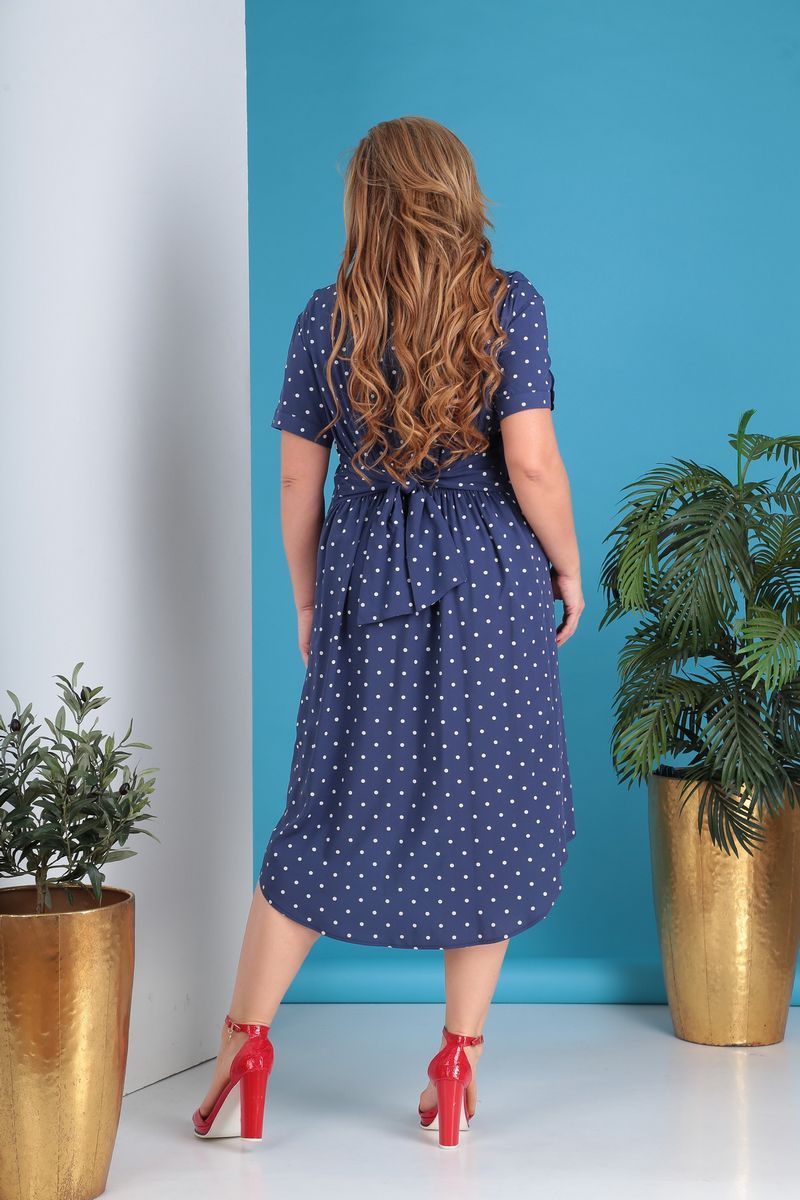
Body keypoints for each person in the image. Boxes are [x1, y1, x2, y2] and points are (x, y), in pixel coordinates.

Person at [192, 115, 583, 1149]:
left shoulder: (326, 317)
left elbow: (296, 481)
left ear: (363, 203)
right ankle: (458, 1061)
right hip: (489, 578)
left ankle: (243, 1044)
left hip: (366, 576)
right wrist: (567, 564)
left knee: (328, 803)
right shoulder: (509, 304)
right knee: (491, 808)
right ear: (458, 195)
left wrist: (307, 597)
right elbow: (532, 462)